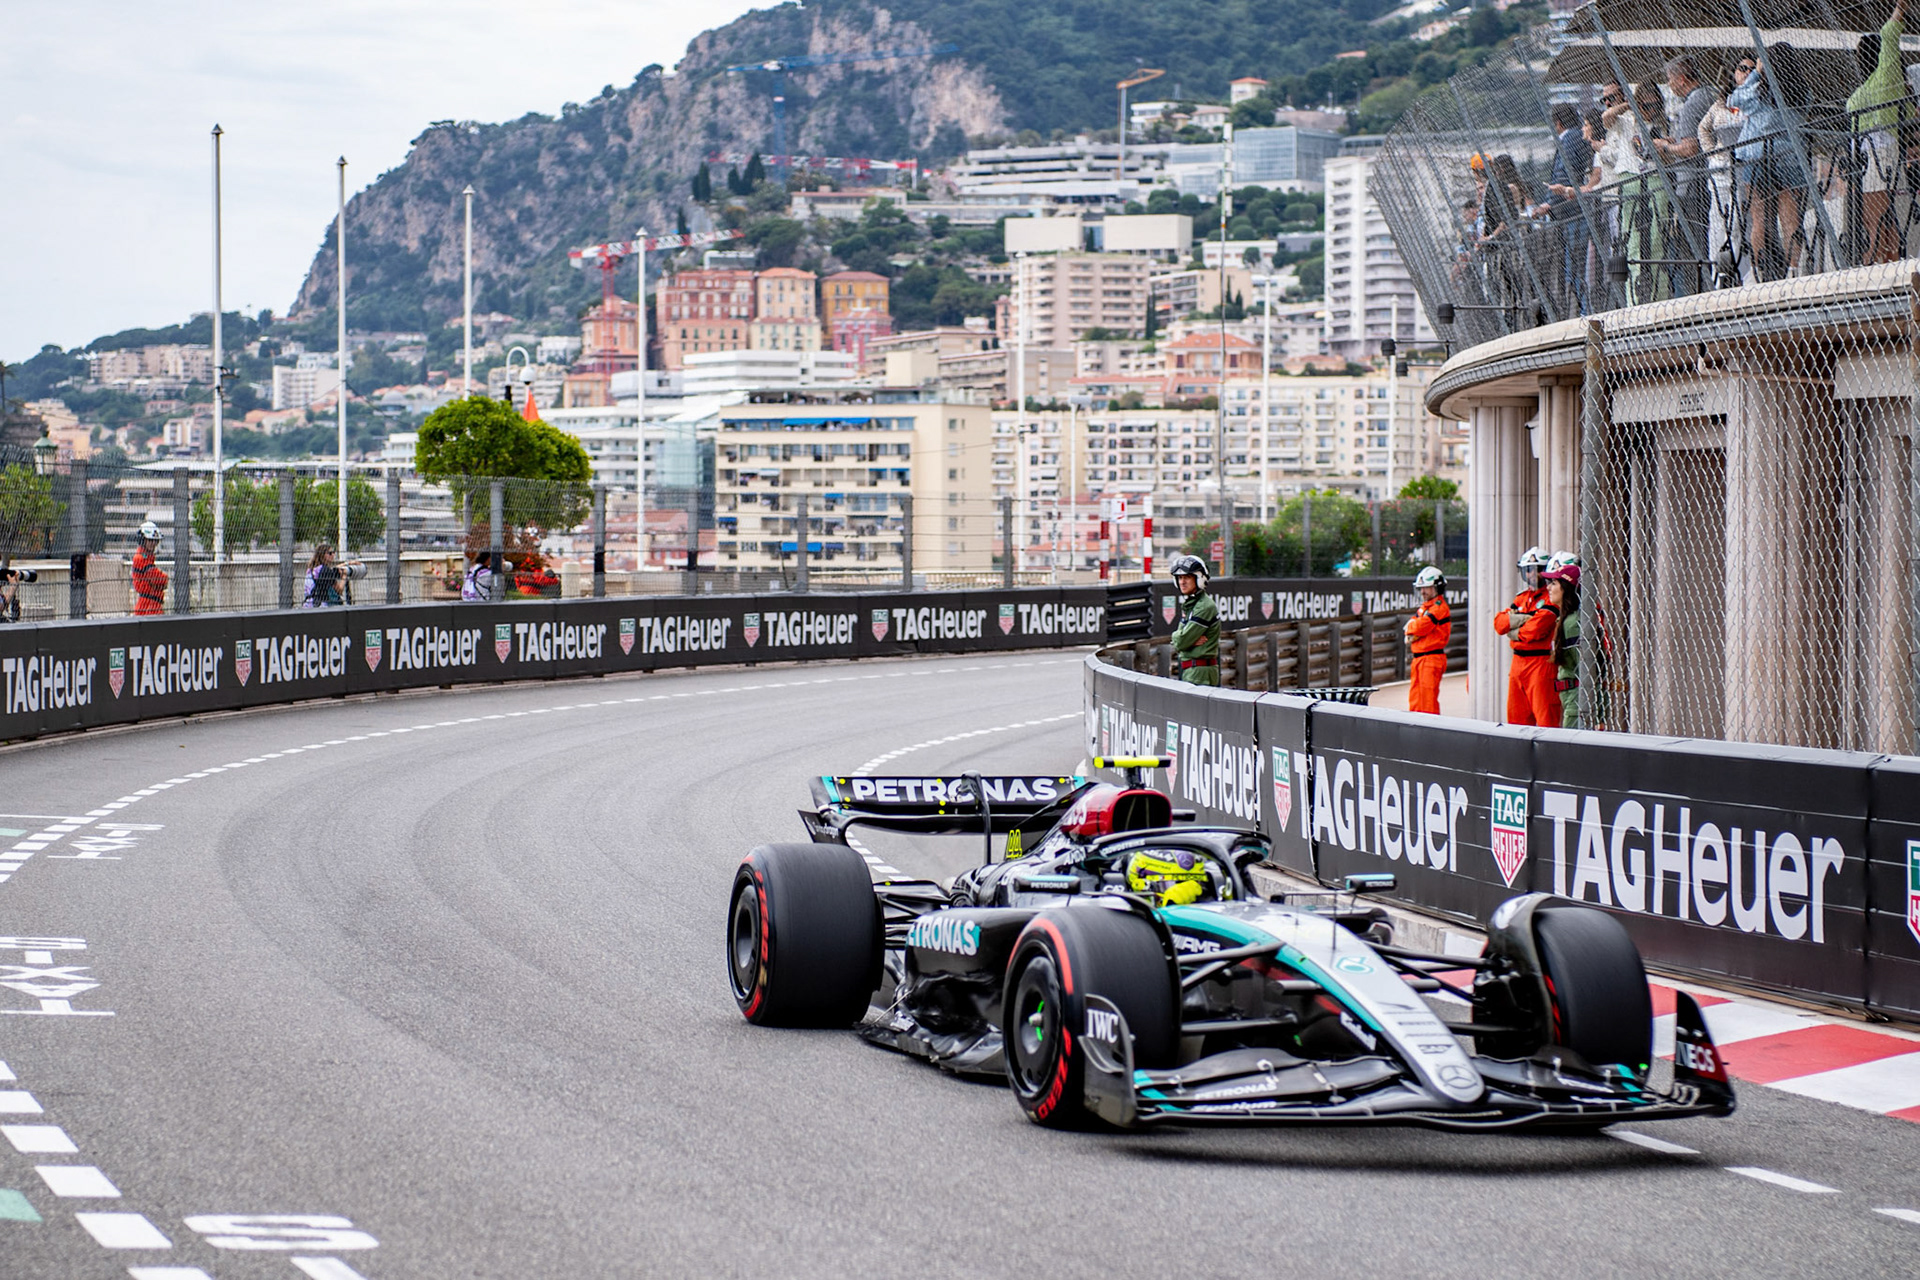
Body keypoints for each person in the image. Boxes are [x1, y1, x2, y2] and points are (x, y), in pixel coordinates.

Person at [1733, 44, 1812, 280]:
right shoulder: (1801, 93)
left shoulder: (1759, 91)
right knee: (1790, 219)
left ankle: (1757, 272)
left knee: (1759, 220)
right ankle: (1793, 271)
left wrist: (1756, 74)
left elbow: (1736, 99)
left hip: (1758, 156)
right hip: (1789, 157)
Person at [1848, 0, 1909, 264]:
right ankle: (1890, 262)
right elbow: (1906, 112)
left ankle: (1876, 264)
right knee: (1887, 216)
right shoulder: (1890, 81)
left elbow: (1889, 36)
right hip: (1886, 150)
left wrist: (1899, 11)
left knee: (1873, 218)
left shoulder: (1880, 79)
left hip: (1872, 153)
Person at [1652, 55, 1714, 294]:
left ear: (1681, 79)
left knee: (1694, 246)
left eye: (1669, 79)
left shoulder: (1691, 105)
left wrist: (1665, 147)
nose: (1669, 85)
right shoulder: (1710, 94)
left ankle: (1699, 292)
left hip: (1693, 185)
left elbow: (1690, 148)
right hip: (1708, 181)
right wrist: (1673, 141)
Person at [1539, 102, 1595, 312]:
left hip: (1573, 210)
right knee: (1578, 265)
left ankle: (1585, 310)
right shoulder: (1577, 136)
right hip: (1575, 208)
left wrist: (1550, 202)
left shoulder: (1569, 138)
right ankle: (1583, 308)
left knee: (1576, 264)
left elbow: (1565, 172)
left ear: (1558, 123)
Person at [1493, 546, 1557, 726]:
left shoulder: (1552, 597)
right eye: (1528, 570)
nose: (1532, 574)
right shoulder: (1521, 598)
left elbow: (1535, 629)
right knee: (1516, 719)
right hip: (1517, 664)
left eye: (1537, 569)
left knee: (1545, 718)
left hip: (1540, 663)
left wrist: (1513, 628)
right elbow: (1499, 624)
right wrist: (1526, 619)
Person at [1404, 565, 1452, 715]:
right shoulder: (1426, 608)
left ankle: (1430, 727)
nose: (1422, 591)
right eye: (1421, 588)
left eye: (1426, 587)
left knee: (1427, 701)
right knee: (1416, 699)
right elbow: (1413, 624)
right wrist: (1412, 627)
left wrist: (1411, 628)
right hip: (1420, 659)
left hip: (1431, 659)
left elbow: (1419, 626)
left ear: (1437, 587)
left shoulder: (1439, 608)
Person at [1542, 561, 1583, 729]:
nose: (1548, 588)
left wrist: (1600, 713)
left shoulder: (1572, 624)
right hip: (1569, 697)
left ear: (1566, 588)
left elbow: (1586, 669)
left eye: (1554, 583)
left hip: (1577, 699)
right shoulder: (1565, 620)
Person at [1168, 553, 1219, 687]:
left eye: (1187, 577)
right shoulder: (1192, 604)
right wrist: (1186, 639)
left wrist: (1179, 639)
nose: (1182, 582)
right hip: (1192, 670)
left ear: (1199, 578)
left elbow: (1181, 642)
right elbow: (1182, 640)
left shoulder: (1204, 606)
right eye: (1180, 578)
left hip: (1199, 672)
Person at [131, 520, 168, 616]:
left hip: (152, 605)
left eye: (155, 541)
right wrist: (163, 579)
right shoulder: (140, 558)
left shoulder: (147, 558)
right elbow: (158, 579)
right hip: (147, 607)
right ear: (142, 540)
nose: (153, 543)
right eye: (150, 540)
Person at [302, 543, 348, 608]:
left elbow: (333, 569)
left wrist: (348, 563)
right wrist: (344, 576)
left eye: (333, 553)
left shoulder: (312, 569)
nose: (333, 555)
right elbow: (339, 590)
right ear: (322, 555)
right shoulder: (326, 570)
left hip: (308, 603)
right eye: (330, 553)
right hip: (321, 605)